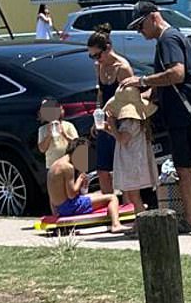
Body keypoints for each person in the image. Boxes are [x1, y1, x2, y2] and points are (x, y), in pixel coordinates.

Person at [119, 1, 191, 233]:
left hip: (182, 114)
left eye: (141, 26)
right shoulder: (175, 37)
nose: (140, 32)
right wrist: (149, 93)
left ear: (153, 17)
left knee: (183, 167)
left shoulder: (168, 39)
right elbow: (172, 79)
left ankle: (190, 220)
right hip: (189, 112)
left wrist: (143, 81)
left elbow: (177, 74)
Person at [87, 24, 134, 194]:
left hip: (121, 120)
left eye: (98, 55)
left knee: (123, 168)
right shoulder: (99, 66)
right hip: (105, 121)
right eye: (92, 56)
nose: (96, 59)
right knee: (102, 169)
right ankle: (109, 202)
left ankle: (129, 205)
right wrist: (97, 116)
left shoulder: (122, 68)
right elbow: (100, 93)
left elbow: (131, 99)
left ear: (108, 48)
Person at [47, 137, 125, 232]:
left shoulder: (54, 165)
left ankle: (110, 221)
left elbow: (52, 194)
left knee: (98, 195)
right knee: (112, 197)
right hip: (69, 207)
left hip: (59, 208)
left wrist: (55, 213)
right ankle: (115, 224)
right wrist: (80, 180)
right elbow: (71, 195)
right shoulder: (68, 167)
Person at [103, 87, 158, 216]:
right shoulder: (136, 121)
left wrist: (112, 126)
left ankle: (141, 222)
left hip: (132, 162)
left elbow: (122, 139)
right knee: (134, 196)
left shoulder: (130, 122)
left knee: (134, 196)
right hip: (135, 160)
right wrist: (109, 129)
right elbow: (122, 136)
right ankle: (138, 222)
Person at [37, 97, 79, 169]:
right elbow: (42, 149)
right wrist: (49, 135)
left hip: (68, 164)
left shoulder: (68, 125)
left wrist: (64, 135)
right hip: (52, 166)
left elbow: (77, 144)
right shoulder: (42, 129)